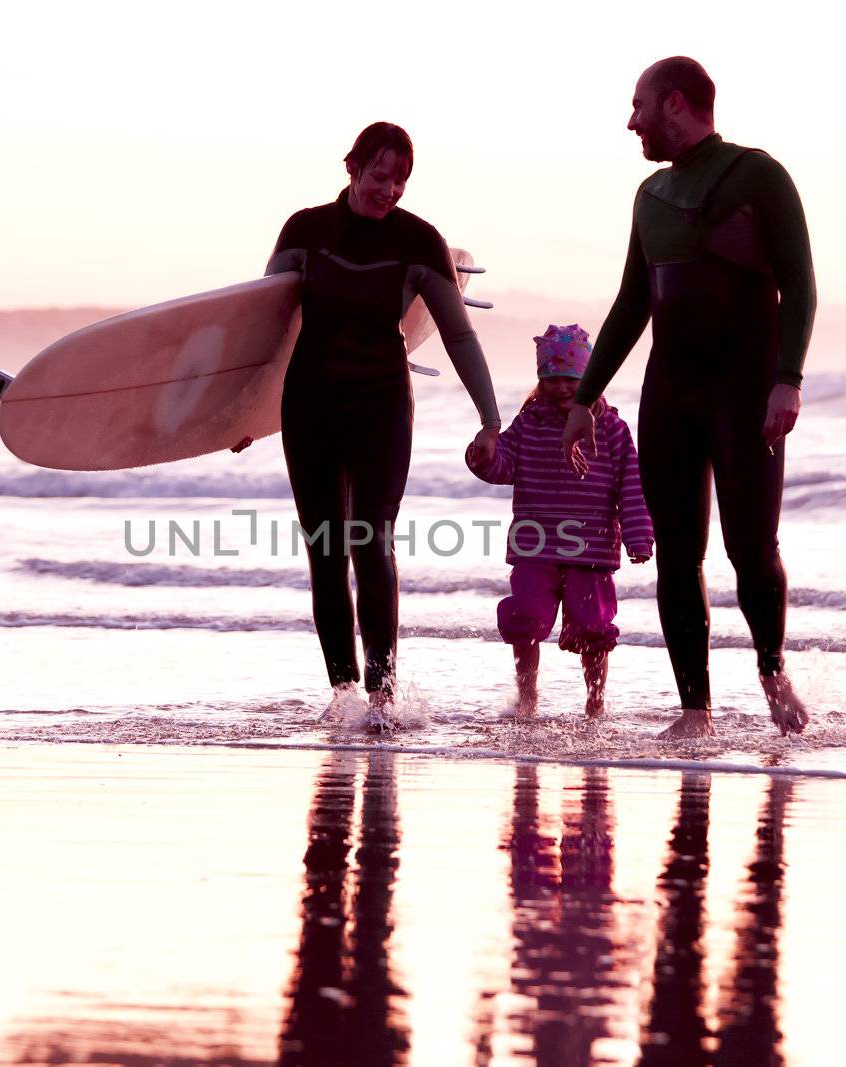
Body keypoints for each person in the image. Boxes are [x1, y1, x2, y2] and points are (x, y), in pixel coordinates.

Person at [561, 57, 817, 739]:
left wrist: (787, 378)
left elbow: (800, 285)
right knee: (677, 551)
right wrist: (586, 399)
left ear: (675, 103)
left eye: (639, 104)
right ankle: (694, 709)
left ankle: (771, 670)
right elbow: (631, 304)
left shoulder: (758, 176)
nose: (631, 119)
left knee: (751, 548)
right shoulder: (649, 197)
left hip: (745, 392)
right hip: (670, 394)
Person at [263, 122, 502, 731]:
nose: (389, 189)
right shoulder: (305, 230)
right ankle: (345, 694)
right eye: (379, 174)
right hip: (310, 404)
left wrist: (489, 417)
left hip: (380, 407)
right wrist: (243, 416)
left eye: (400, 179)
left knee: (373, 545)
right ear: (352, 166)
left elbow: (458, 334)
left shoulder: (418, 241)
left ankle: (384, 698)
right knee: (325, 552)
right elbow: (261, 333)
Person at [467, 325, 653, 719]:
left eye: (571, 379)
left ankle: (595, 702)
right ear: (540, 382)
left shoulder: (613, 431)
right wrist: (482, 455)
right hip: (535, 546)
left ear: (589, 380)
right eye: (551, 380)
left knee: (592, 628)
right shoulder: (529, 423)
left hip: (593, 550)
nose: (562, 388)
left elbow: (631, 488)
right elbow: (504, 468)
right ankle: (527, 696)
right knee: (525, 616)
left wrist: (639, 537)